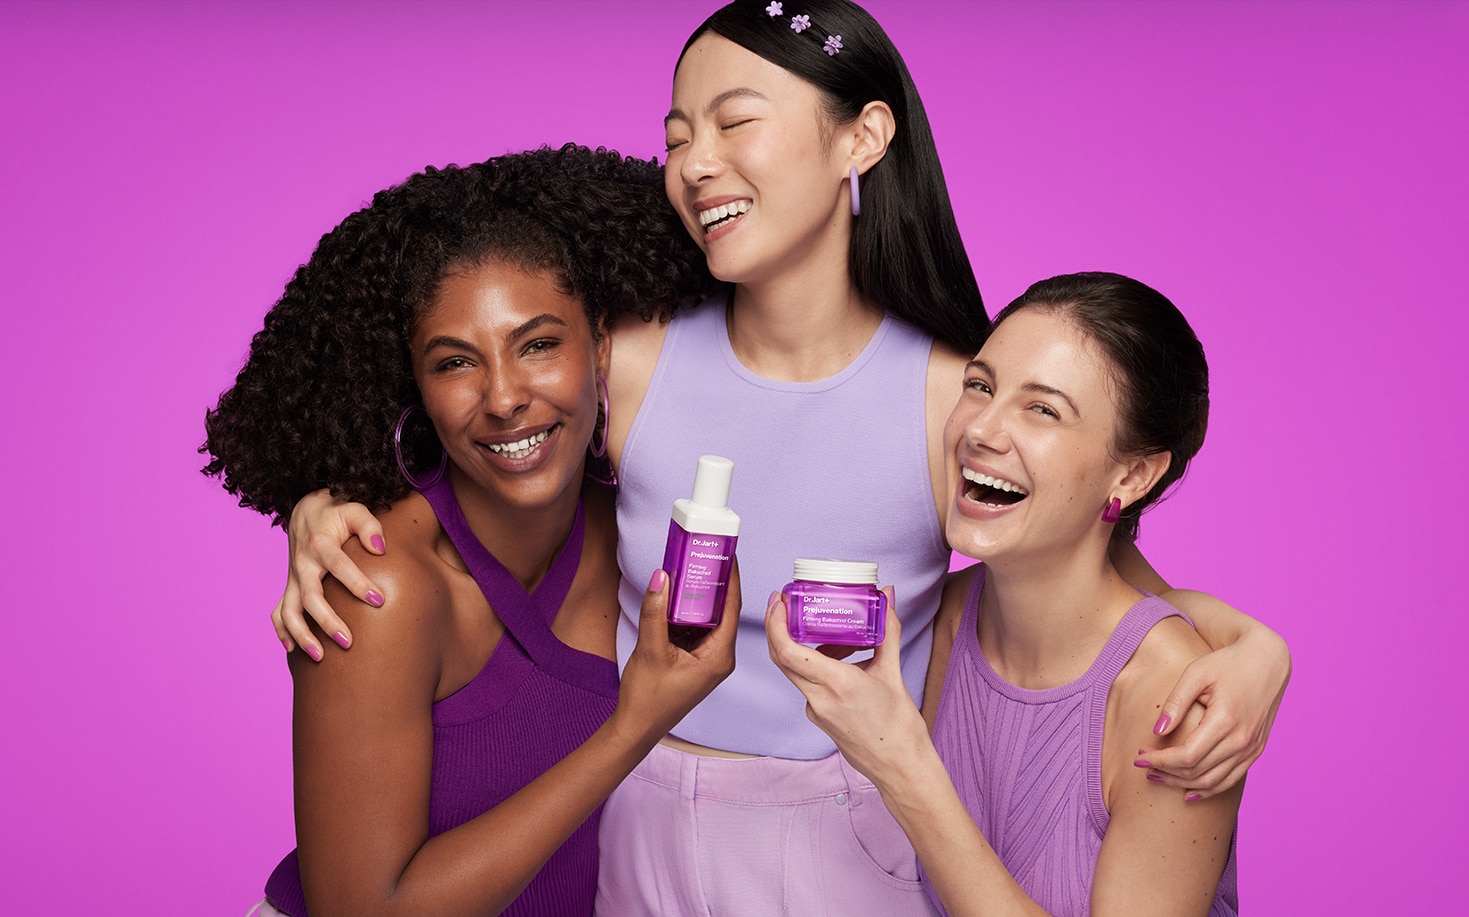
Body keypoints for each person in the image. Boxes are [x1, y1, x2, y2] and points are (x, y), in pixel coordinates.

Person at [275, 2, 1289, 912]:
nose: (695, 161)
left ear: (862, 135)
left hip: (849, 831)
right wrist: (316, 500)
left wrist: (1254, 652)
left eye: (734, 120)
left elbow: (1089, 575)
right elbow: (474, 424)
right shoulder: (628, 361)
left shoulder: (952, 397)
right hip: (632, 817)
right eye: (676, 137)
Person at [202, 146, 737, 917]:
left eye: (539, 344)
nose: (503, 398)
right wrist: (633, 725)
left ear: (601, 349)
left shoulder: (641, 523)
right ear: (415, 386)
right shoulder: (376, 587)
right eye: (456, 362)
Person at [769, 272, 1242, 916]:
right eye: (980, 386)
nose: (982, 429)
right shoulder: (937, 619)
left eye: (1042, 409)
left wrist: (904, 766)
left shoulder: (1174, 705)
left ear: (1131, 474)